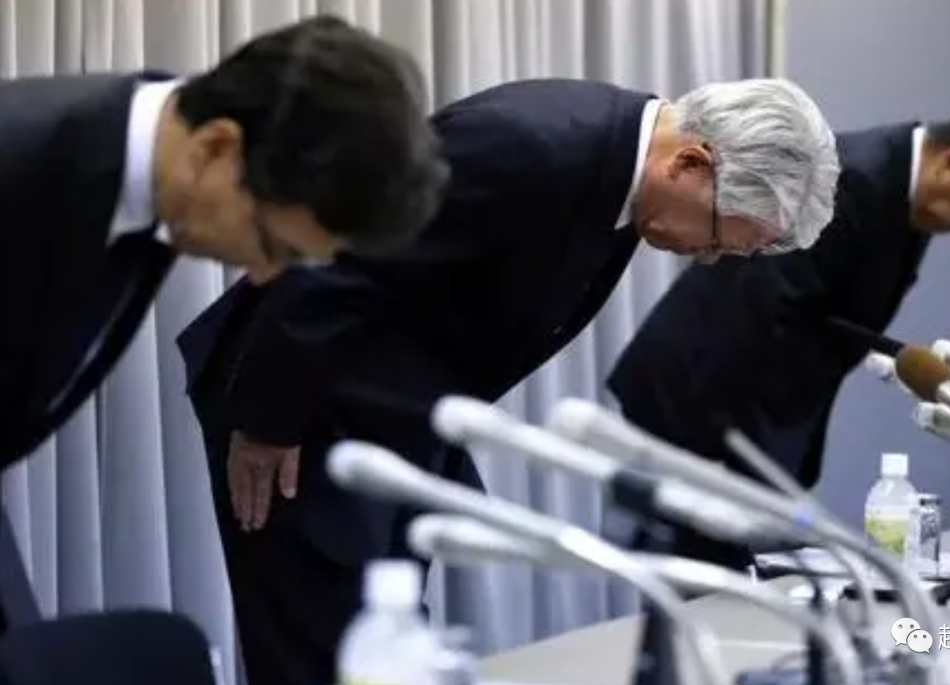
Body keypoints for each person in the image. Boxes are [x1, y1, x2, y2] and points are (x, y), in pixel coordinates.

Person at [176, 76, 841, 685]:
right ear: (690, 163)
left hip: (392, 417)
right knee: (321, 658)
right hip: (302, 410)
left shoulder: (625, 174)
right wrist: (267, 418)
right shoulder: (528, 143)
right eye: (718, 238)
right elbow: (337, 253)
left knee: (385, 649)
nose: (709, 258)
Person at [0, 15, 445, 633]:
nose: (263, 275)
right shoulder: (23, 161)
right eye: (273, 245)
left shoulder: (144, 180)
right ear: (215, 146)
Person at [606, 113, 950, 570]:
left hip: (739, 416)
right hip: (700, 405)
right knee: (698, 586)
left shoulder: (904, 195)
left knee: (739, 580)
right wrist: (744, 464)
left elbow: (827, 317)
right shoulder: (847, 177)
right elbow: (758, 312)